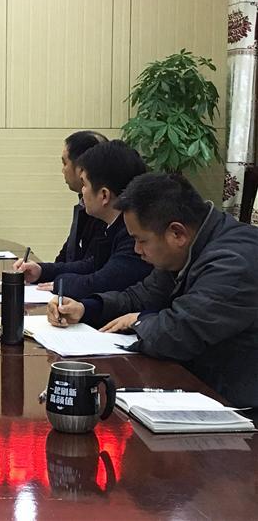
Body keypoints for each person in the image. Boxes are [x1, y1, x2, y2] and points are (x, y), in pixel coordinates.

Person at [48, 173, 258, 408]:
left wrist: (140, 319)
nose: (137, 250)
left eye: (141, 240)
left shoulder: (234, 263)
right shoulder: (188, 248)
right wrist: (86, 308)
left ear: (177, 233)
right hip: (202, 389)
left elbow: (176, 335)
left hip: (240, 411)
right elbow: (141, 296)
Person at [14, 140, 152, 297]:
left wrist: (60, 284)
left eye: (84, 184)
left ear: (104, 195)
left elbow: (105, 282)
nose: (82, 192)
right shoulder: (109, 225)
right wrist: (41, 271)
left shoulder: (132, 233)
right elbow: (91, 265)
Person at [56, 130, 108, 263]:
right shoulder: (83, 203)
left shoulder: (105, 210)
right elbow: (67, 255)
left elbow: (91, 266)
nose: (63, 170)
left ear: (82, 168)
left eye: (65, 163)